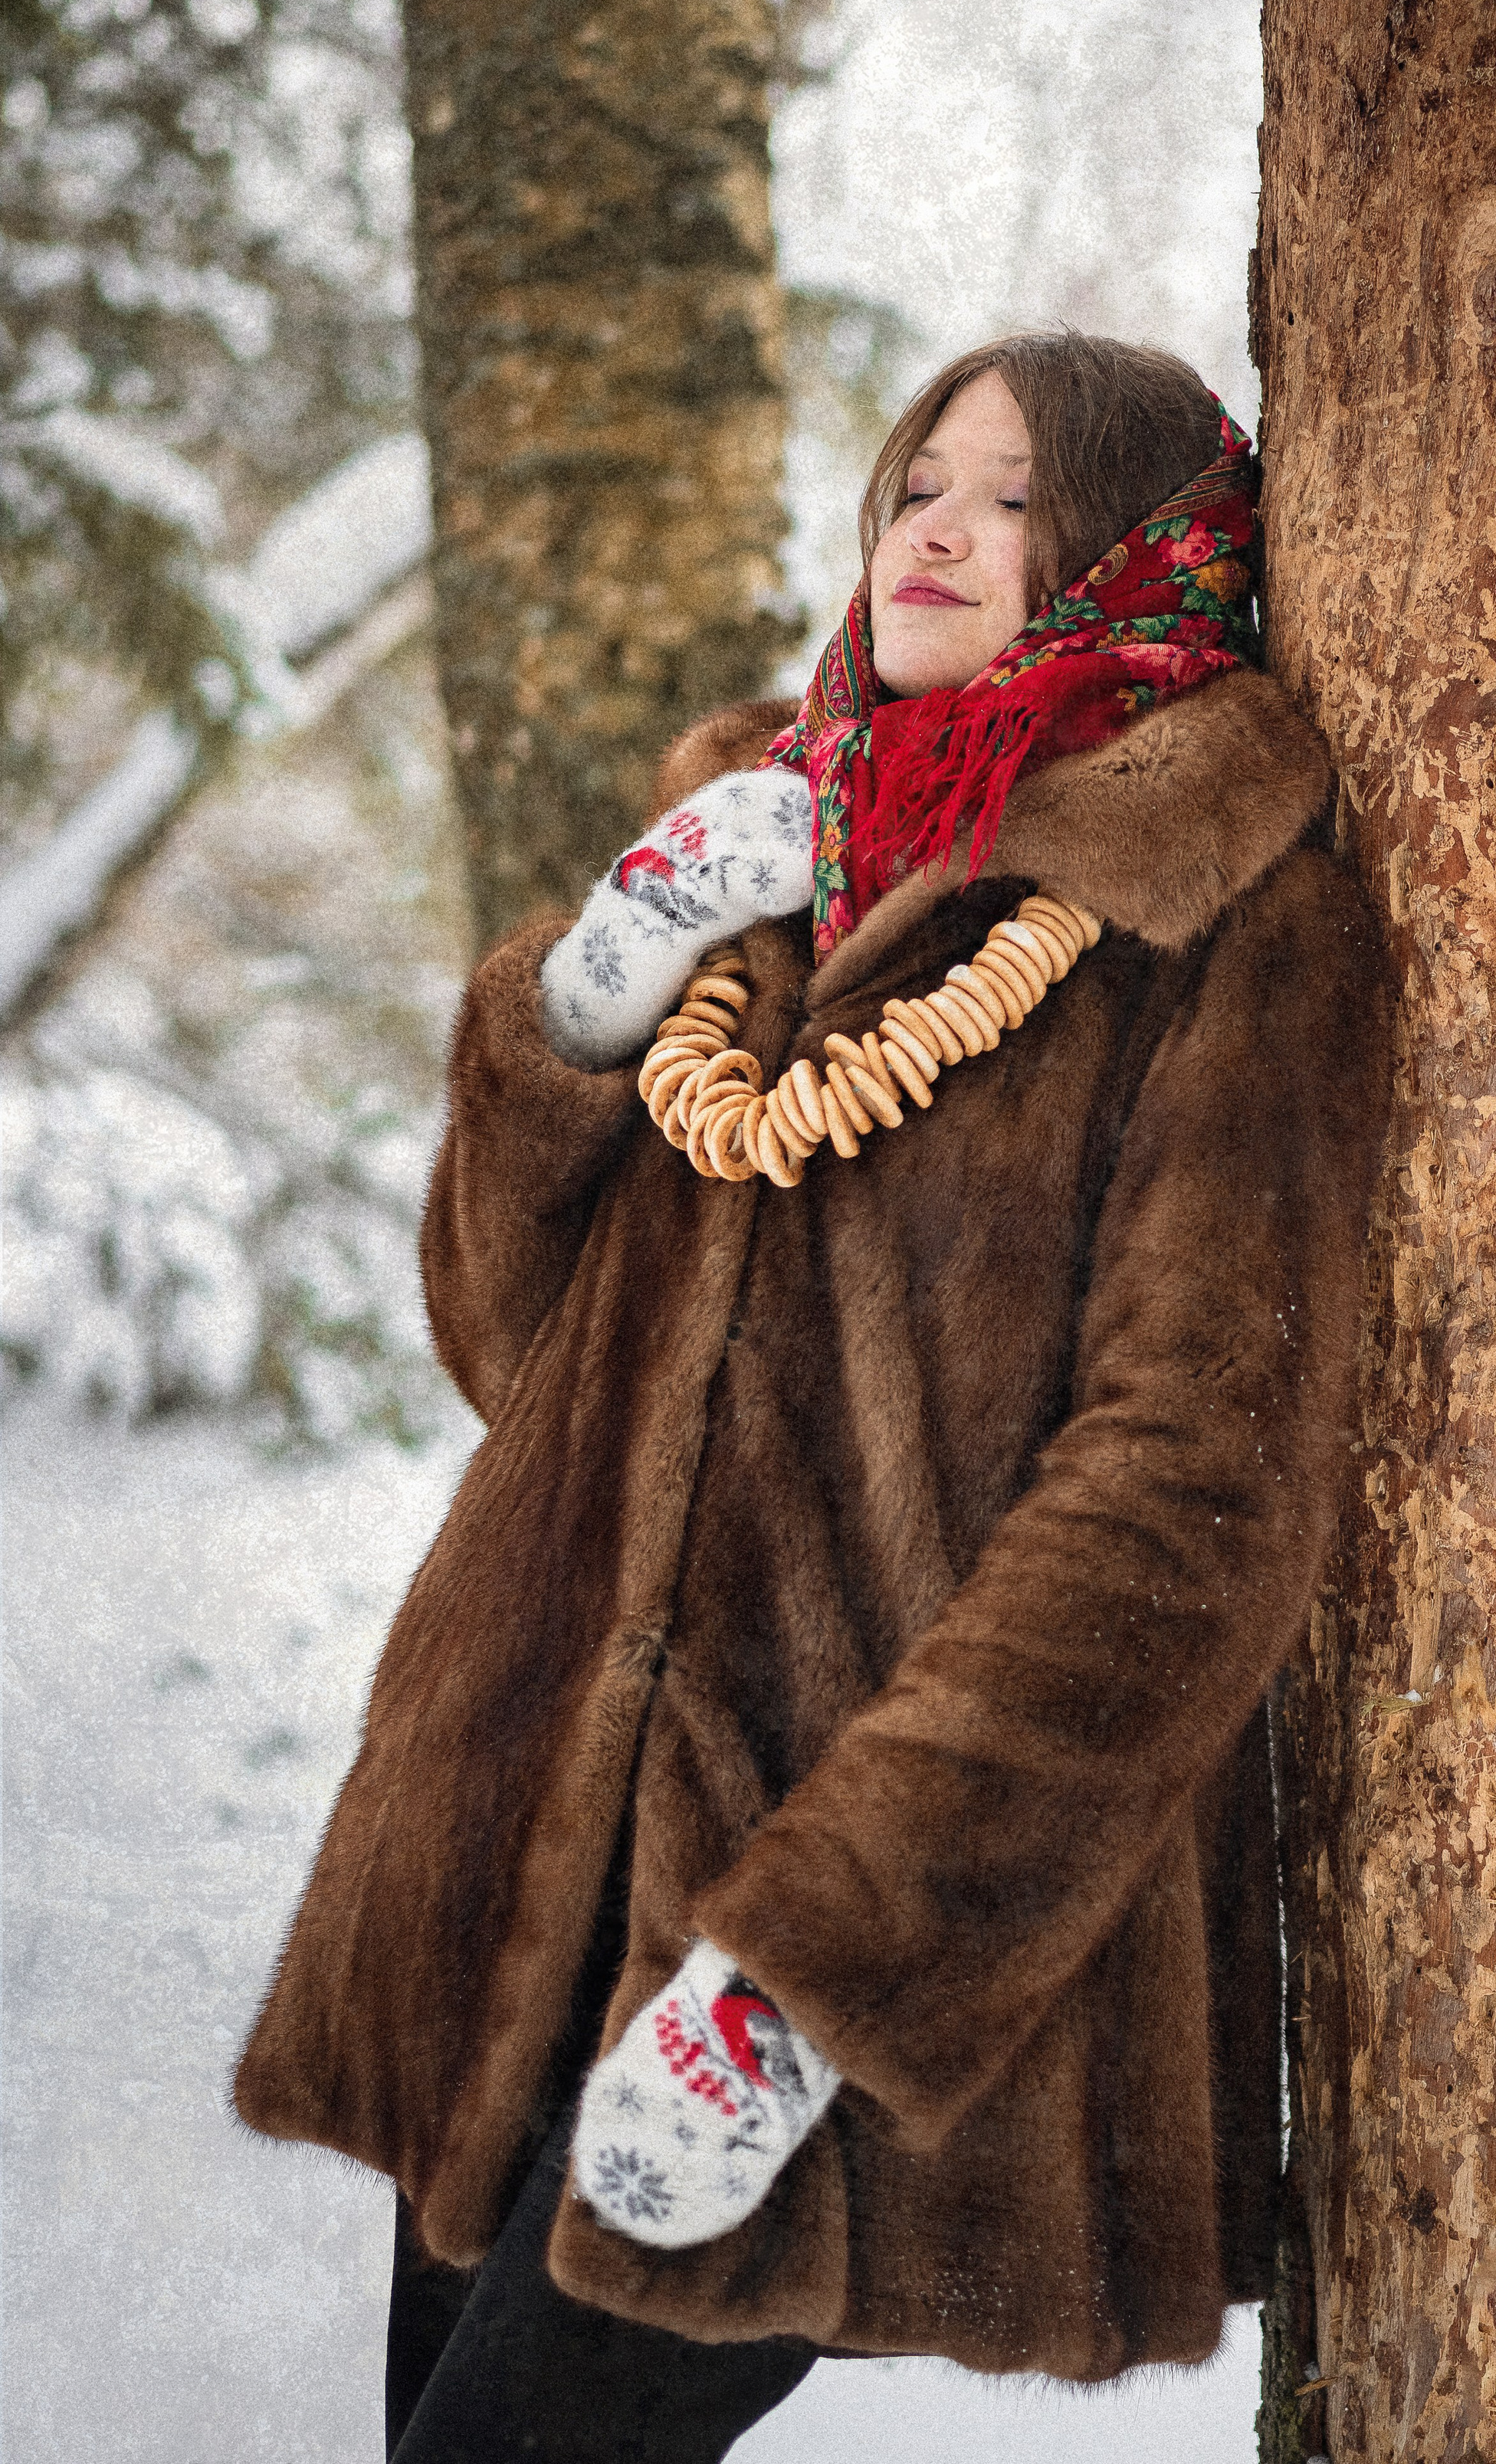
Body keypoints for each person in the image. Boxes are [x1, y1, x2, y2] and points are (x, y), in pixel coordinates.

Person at [235, 329, 1392, 2462]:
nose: (938, 529)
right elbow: (515, 1353)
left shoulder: (1221, 920)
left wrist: (807, 1977)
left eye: (1020, 496)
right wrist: (586, 1004)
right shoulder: (770, 833)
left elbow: (1190, 1500)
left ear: (1144, 551)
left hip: (849, 1933)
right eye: (919, 481)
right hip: (538, 1868)